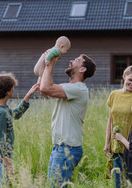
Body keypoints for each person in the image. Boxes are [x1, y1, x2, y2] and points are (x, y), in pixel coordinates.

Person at [40, 53, 97, 187]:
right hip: (60, 148)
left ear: (82, 69)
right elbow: (42, 88)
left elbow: (45, 88)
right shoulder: (69, 88)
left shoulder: (78, 89)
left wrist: (52, 63)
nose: (71, 61)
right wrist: (46, 59)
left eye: (76, 60)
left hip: (67, 149)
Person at [0, 72, 39, 187]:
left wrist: (28, 96)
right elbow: (0, 143)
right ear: (7, 91)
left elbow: (15, 115)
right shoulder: (1, 113)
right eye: (13, 87)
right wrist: (9, 165)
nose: (14, 89)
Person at [103, 65, 132, 188]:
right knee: (119, 183)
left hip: (131, 146)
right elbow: (110, 120)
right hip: (117, 146)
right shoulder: (114, 95)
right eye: (130, 80)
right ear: (124, 76)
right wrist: (107, 143)